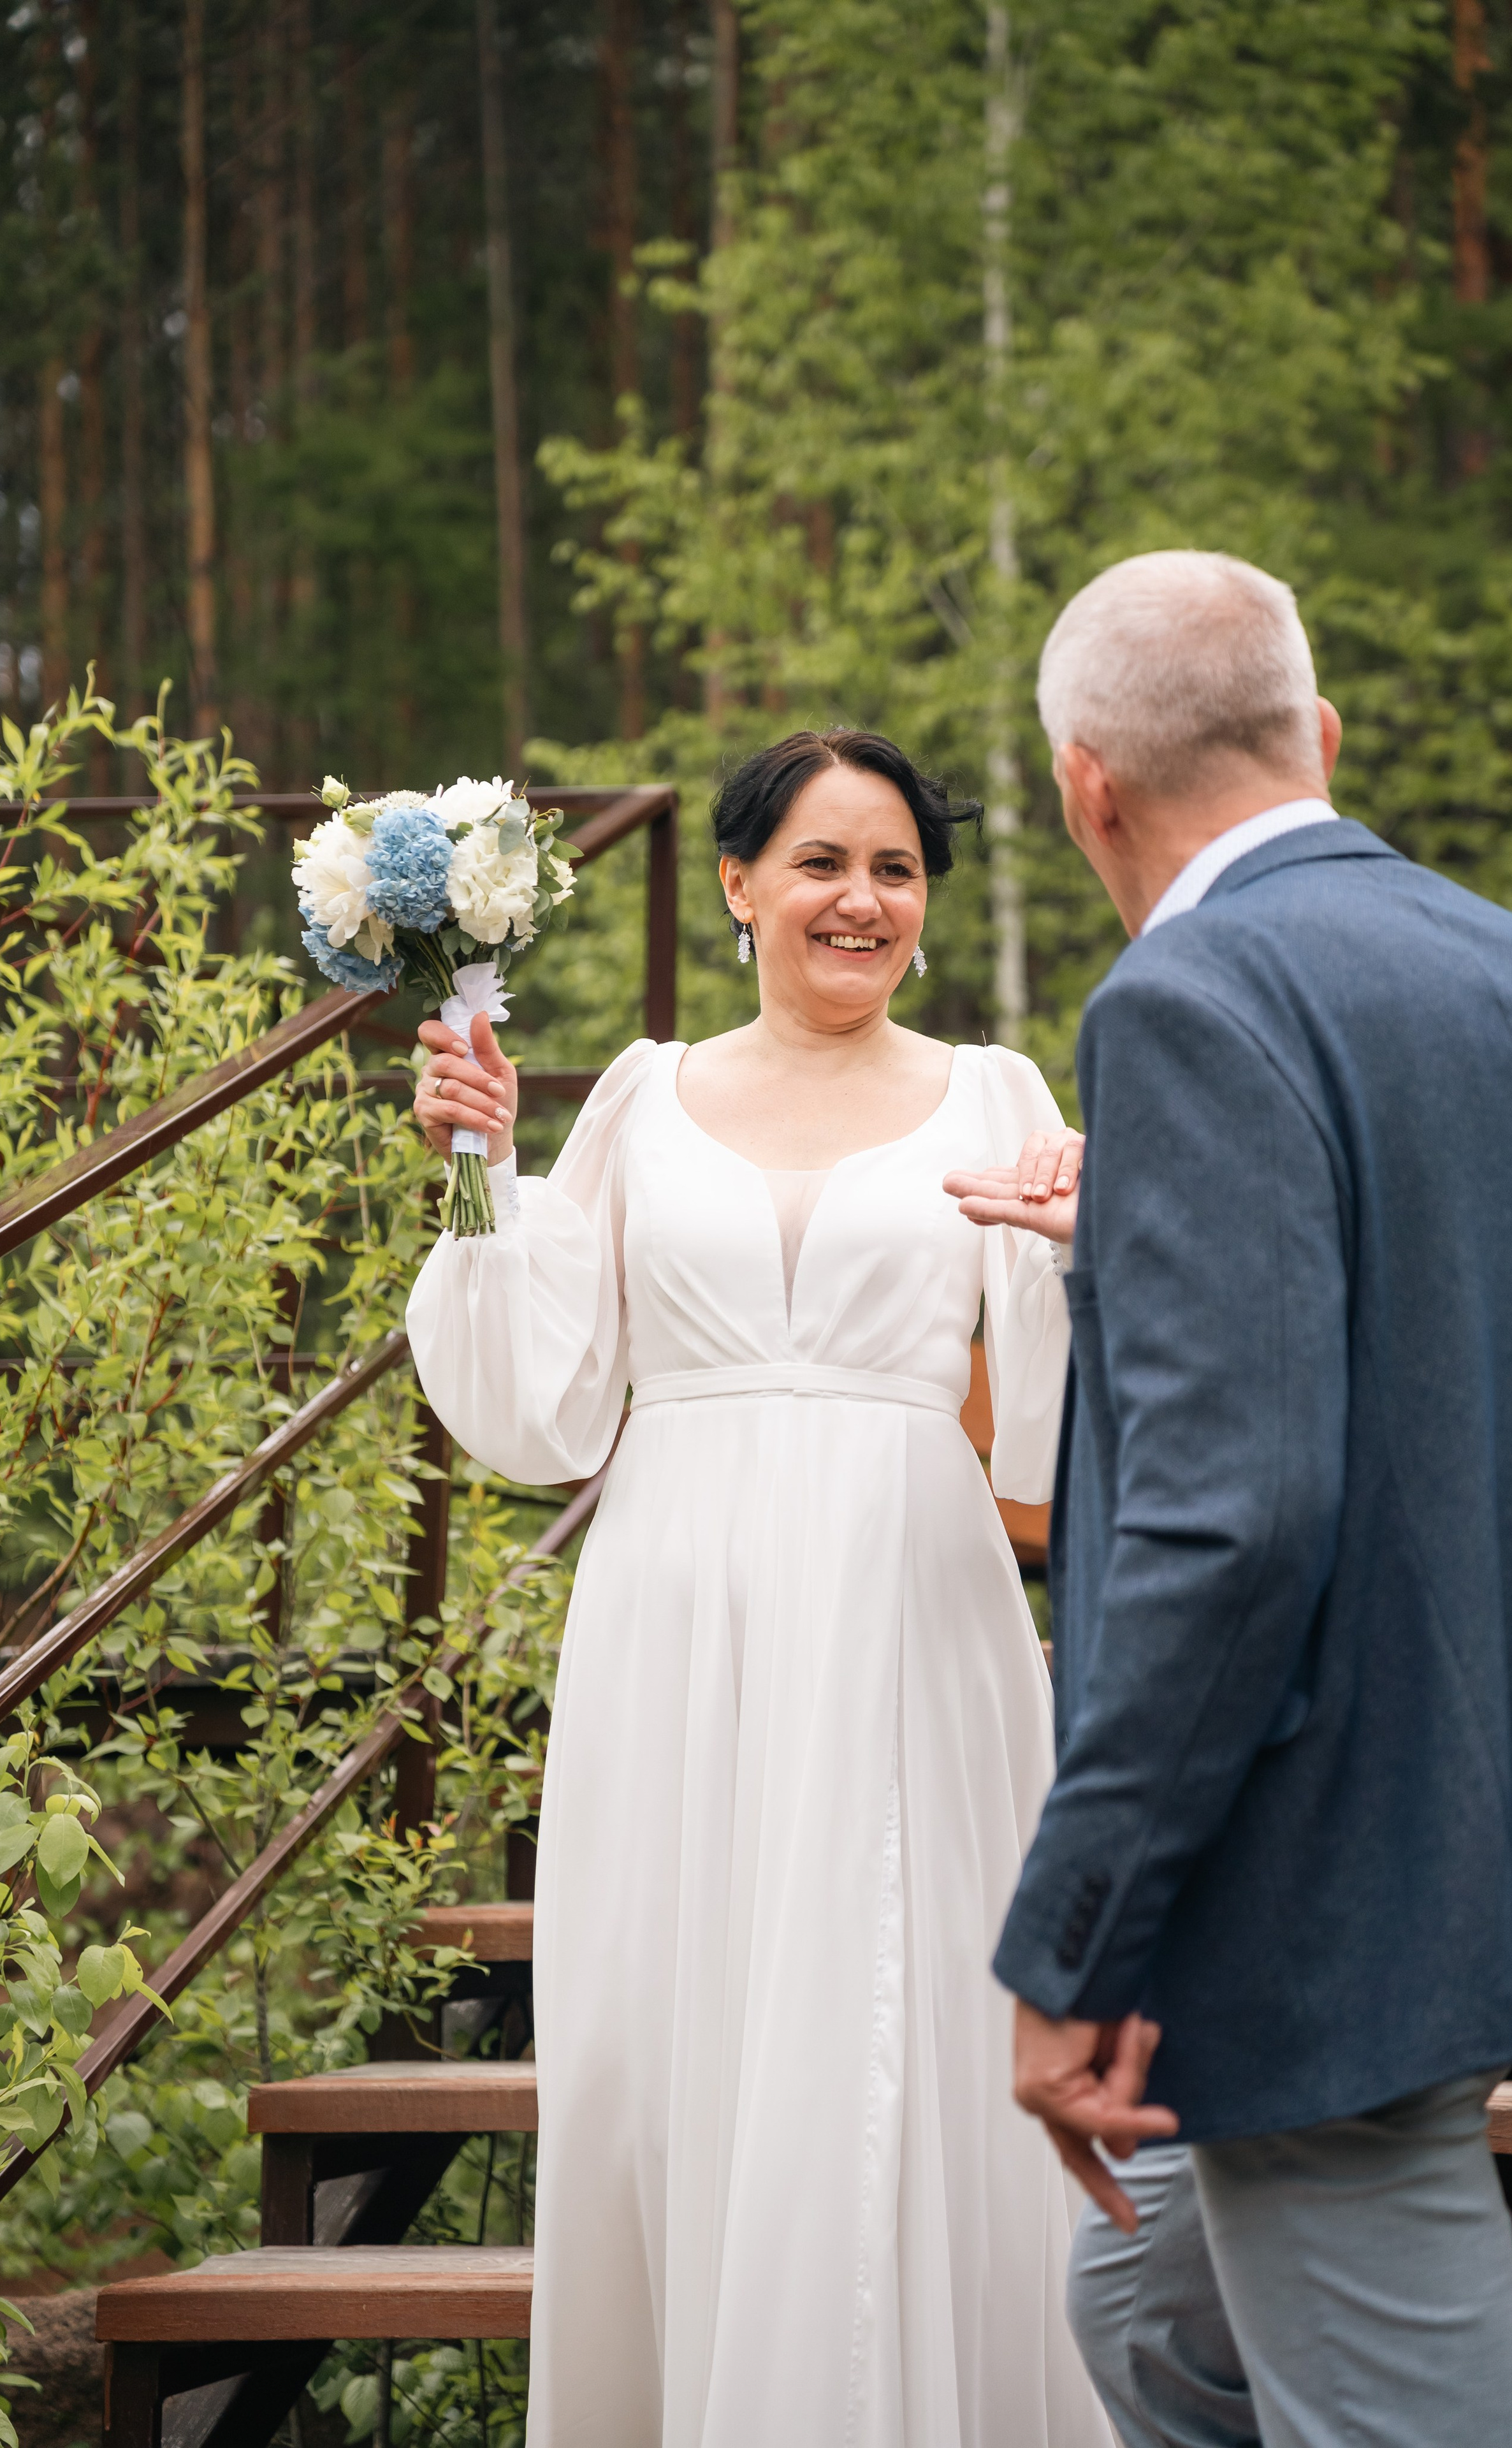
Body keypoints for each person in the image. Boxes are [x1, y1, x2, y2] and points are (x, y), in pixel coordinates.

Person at [948, 548, 1512, 2448]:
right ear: (1320, 734)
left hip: (1335, 1870)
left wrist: (1079, 1936)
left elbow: (1234, 1527)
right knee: (1144, 2299)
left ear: (1088, 786)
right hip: (1505, 1815)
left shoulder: (1188, 1002)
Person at [405, 729, 1112, 2448]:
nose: (859, 898)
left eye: (894, 867)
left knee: (909, 2012)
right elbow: (542, 1401)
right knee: (676, 2038)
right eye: (820, 862)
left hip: (913, 1602)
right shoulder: (643, 1096)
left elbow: (1055, 1444)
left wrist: (1097, 1260)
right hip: (679, 1611)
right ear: (737, 884)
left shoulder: (999, 1094)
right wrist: (476, 1169)